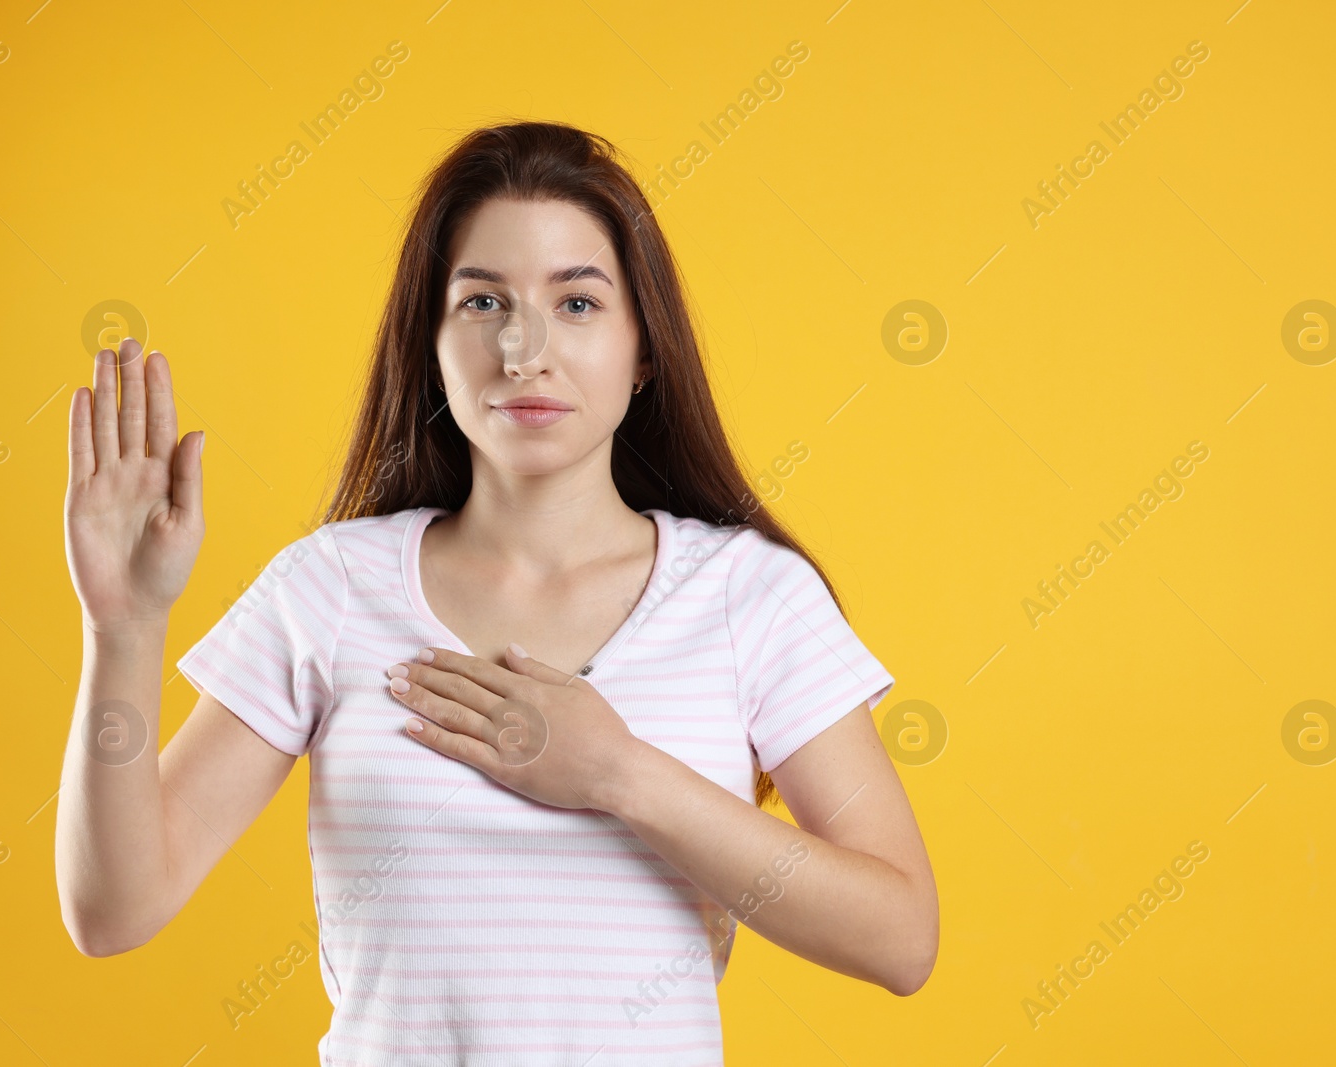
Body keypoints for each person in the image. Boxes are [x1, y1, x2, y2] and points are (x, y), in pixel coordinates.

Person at [56, 120, 937, 1065]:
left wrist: (618, 774)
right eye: (482, 302)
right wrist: (123, 627)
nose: (524, 350)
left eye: (579, 303)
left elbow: (899, 936)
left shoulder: (747, 596)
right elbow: (114, 909)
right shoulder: (331, 588)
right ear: (429, 342)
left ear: (646, 349)